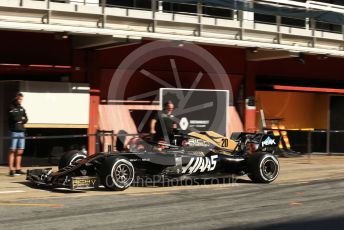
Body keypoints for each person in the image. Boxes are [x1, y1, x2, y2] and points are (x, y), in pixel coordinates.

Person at [8, 93, 28, 177]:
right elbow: (14, 117)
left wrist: (21, 120)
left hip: (22, 132)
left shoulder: (22, 108)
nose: (20, 101)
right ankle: (11, 169)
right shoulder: (11, 107)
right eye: (19, 99)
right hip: (14, 131)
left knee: (20, 151)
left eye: (21, 100)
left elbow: (26, 119)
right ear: (16, 99)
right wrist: (20, 118)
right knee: (12, 150)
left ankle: (18, 168)